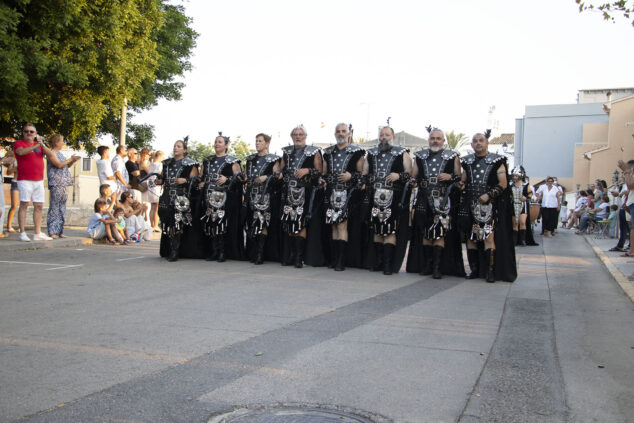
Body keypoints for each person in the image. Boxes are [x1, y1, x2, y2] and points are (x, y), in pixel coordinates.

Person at [459, 131, 516, 283]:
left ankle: (490, 271)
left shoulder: (497, 161)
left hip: (489, 205)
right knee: (471, 238)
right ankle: (475, 270)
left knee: (488, 237)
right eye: (475, 141)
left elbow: (503, 183)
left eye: (481, 140)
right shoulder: (467, 161)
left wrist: (489, 195)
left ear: (487, 143)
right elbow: (463, 179)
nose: (478, 143)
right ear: (471, 145)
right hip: (470, 204)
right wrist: (461, 185)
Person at [407, 127, 463, 279]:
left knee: (439, 233)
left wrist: (450, 176)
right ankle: (427, 265)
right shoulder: (420, 156)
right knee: (425, 232)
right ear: (428, 140)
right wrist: (412, 182)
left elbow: (460, 178)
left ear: (443, 141)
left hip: (443, 200)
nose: (435, 141)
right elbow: (414, 176)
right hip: (423, 199)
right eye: (433, 138)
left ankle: (437, 267)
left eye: (438, 138)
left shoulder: (453, 156)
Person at [364, 124, 413, 275]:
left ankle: (388, 264)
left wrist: (398, 176)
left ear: (393, 137)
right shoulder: (371, 153)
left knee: (390, 229)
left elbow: (409, 173)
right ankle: (378, 261)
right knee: (377, 228)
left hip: (393, 196)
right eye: (382, 135)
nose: (384, 137)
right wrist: (367, 180)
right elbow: (365, 173)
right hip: (374, 195)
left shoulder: (402, 153)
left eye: (387, 135)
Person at [322, 123, 365, 271]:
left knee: (342, 225)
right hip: (331, 193)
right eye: (338, 131)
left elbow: (362, 175)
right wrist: (323, 179)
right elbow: (325, 172)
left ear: (348, 134)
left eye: (343, 131)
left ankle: (341, 260)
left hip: (347, 193)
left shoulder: (357, 151)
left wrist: (350, 176)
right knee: (333, 224)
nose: (341, 134)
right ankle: (334, 258)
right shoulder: (328, 152)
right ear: (334, 134)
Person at [280, 125, 324, 268]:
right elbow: (282, 169)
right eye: (295, 134)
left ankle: (299, 257)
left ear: (305, 136)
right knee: (289, 221)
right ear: (291, 137)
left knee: (300, 222)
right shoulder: (286, 152)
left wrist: (307, 170)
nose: (298, 137)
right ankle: (291, 255)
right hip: (288, 191)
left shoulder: (314, 151)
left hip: (304, 191)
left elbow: (320, 171)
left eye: (300, 134)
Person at [199, 132, 243, 262]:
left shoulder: (232, 161)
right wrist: (200, 183)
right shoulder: (207, 161)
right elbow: (201, 177)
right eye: (215, 141)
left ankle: (223, 252)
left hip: (223, 197)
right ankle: (214, 251)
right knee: (210, 222)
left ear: (226, 145)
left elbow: (240, 179)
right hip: (208, 196)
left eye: (220, 142)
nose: (216, 144)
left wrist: (227, 179)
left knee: (221, 223)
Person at [155, 139, 199, 261]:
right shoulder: (167, 163)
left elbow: (196, 181)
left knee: (178, 222)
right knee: (167, 222)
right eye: (175, 146)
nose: (175, 148)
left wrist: (185, 180)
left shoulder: (190, 164)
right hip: (166, 196)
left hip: (180, 197)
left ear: (184, 150)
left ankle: (175, 250)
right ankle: (168, 249)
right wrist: (158, 181)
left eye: (179, 146)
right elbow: (162, 178)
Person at [244, 133, 282, 265]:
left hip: (265, 195)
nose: (257, 143)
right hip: (251, 194)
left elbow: (278, 175)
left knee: (263, 222)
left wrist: (267, 177)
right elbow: (245, 176)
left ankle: (260, 253)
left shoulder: (273, 159)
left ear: (267, 143)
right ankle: (253, 252)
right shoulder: (250, 159)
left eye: (260, 141)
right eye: (256, 141)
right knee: (252, 222)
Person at [14, 124, 53, 241]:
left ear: (35, 134)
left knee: (39, 206)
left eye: (31, 132)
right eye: (26, 131)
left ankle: (37, 232)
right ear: (23, 133)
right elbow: (21, 152)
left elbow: (50, 155)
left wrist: (42, 145)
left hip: (38, 180)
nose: (29, 133)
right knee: (24, 204)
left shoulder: (39, 146)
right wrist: (35, 145)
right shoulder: (19, 143)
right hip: (25, 179)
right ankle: (22, 232)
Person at [45, 134, 80, 238]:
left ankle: (60, 230)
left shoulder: (60, 153)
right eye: (61, 141)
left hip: (64, 183)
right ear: (56, 142)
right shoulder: (51, 153)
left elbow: (65, 165)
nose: (63, 143)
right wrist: (70, 159)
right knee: (54, 207)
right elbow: (58, 164)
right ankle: (52, 230)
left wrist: (73, 161)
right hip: (56, 183)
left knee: (62, 208)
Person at [509, 166, 534, 246]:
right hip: (513, 205)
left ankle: (522, 239)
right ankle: (514, 240)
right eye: (514, 176)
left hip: (523, 205)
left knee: (522, 222)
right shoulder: (510, 185)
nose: (514, 177)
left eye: (516, 176)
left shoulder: (526, 185)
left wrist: (525, 197)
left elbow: (530, 194)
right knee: (515, 223)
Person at [2, 147, 19, 235]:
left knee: (24, 205)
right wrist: (16, 169)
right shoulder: (14, 159)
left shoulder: (27, 158)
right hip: (16, 182)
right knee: (14, 206)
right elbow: (8, 172)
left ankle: (21, 227)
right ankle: (9, 226)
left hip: (26, 183)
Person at [147, 150, 164, 232]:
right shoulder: (159, 165)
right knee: (156, 207)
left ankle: (151, 225)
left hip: (150, 186)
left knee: (152, 207)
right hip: (156, 186)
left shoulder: (151, 165)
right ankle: (155, 225)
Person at [138, 148, 151, 220]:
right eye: (148, 154)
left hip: (144, 182)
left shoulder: (143, 162)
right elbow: (149, 172)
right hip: (144, 183)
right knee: (145, 202)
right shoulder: (142, 163)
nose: (149, 156)